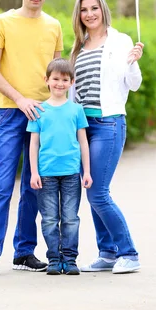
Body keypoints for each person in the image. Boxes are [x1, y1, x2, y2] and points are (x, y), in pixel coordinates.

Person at [0, 0, 63, 276]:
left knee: (34, 186)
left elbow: (59, 73)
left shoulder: (54, 26)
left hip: (43, 114)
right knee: (2, 185)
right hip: (11, 111)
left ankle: (24, 252)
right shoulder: (2, 22)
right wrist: (20, 99)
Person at [69, 0, 144, 275]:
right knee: (92, 189)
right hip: (83, 129)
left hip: (109, 124)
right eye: (84, 10)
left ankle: (129, 252)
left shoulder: (120, 41)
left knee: (98, 192)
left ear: (103, 10)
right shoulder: (79, 47)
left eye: (94, 8)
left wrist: (133, 61)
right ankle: (107, 253)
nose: (89, 14)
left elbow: (133, 84)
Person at [28, 58, 92, 276]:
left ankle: (70, 258)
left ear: (72, 82)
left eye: (65, 79)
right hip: (46, 174)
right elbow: (34, 143)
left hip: (72, 173)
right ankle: (54, 258)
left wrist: (87, 172)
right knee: (49, 219)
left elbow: (83, 141)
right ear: (47, 80)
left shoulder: (76, 110)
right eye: (55, 79)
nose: (59, 83)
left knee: (71, 218)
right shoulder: (39, 111)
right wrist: (34, 172)